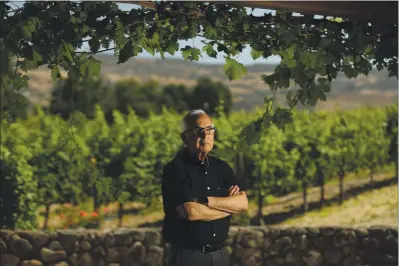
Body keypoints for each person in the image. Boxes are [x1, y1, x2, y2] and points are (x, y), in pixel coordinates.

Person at [161, 109, 248, 266]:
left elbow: (243, 203)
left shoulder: (222, 168)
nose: (205, 135)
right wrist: (227, 207)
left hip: (220, 255)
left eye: (210, 129)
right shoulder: (175, 169)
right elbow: (191, 212)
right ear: (184, 137)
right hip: (188, 256)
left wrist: (206, 201)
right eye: (198, 130)